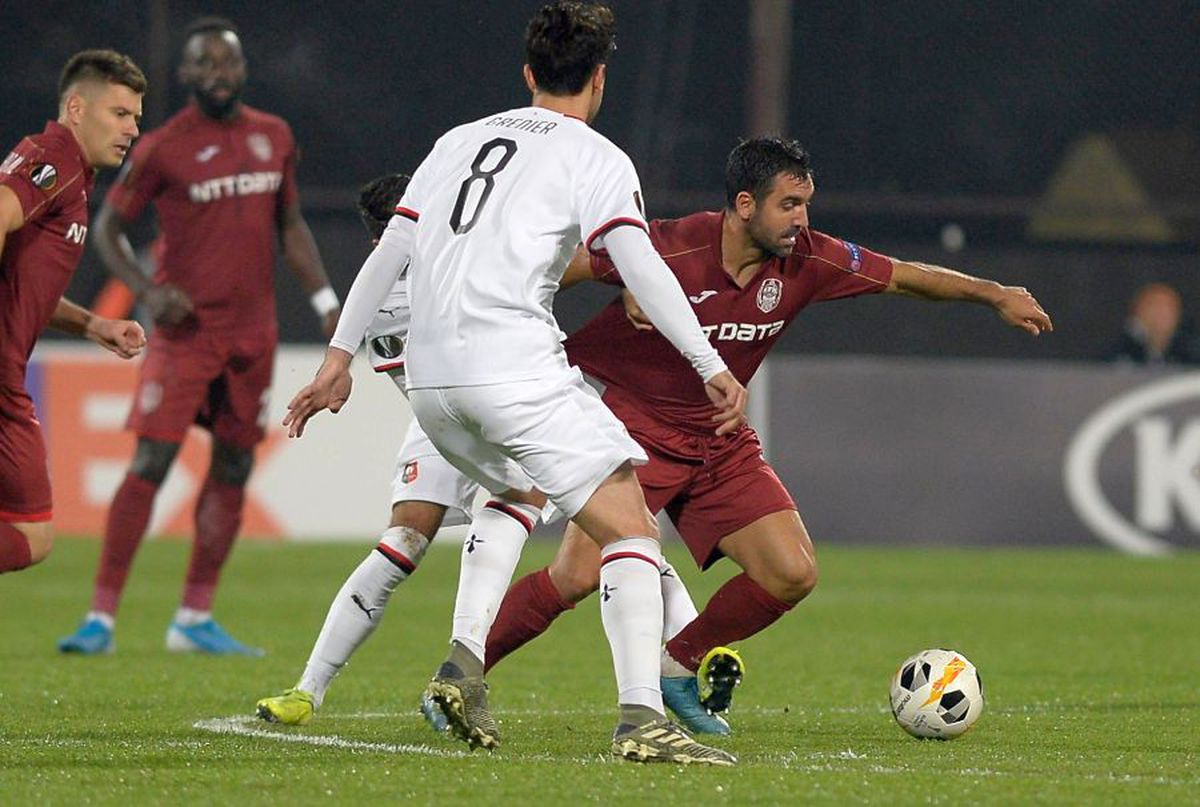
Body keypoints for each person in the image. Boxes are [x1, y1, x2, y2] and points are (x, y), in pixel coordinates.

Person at [282, 1, 746, 765]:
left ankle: (464, 664)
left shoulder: (456, 141)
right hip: (511, 366)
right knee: (628, 520)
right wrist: (709, 363)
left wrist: (338, 357)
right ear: (599, 80)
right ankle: (640, 718)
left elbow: (391, 251)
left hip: (431, 387)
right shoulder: (597, 157)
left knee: (516, 492)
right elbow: (638, 266)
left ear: (530, 74)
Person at [479, 136, 1054, 705]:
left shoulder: (808, 258)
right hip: (631, 429)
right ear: (745, 204)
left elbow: (901, 275)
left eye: (806, 205)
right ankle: (462, 670)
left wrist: (993, 293)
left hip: (718, 439)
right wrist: (627, 281)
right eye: (789, 204)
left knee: (791, 572)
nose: (801, 220)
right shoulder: (668, 247)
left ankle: (676, 664)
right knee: (574, 577)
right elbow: (554, 267)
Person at [255, 174, 729, 738]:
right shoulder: (461, 275)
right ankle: (327, 686)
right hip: (485, 409)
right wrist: (629, 276)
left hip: (450, 413)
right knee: (604, 520)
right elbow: (572, 262)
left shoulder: (380, 295)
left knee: (602, 523)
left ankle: (438, 669)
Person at [57, 17, 338, 656]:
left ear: (242, 69)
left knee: (235, 466)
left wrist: (326, 302)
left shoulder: (274, 136)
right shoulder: (162, 147)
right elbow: (109, 229)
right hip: (186, 337)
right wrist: (147, 292)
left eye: (227, 64)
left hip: (252, 336)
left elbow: (290, 224)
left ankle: (193, 616)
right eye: (204, 65)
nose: (217, 74)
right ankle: (101, 616)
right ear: (185, 76)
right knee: (151, 461)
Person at [1, 50, 148, 575]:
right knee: (28, 533)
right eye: (120, 114)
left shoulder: (63, 167)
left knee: (28, 531)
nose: (133, 128)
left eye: (136, 116)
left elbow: (21, 285)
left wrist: (92, 323)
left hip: (8, 372)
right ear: (77, 107)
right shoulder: (55, 159)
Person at [1109, 281, 1200, 365]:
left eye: (1168, 309)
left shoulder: (1190, 347)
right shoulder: (1123, 348)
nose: (1161, 315)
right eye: (1154, 308)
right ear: (1137, 311)